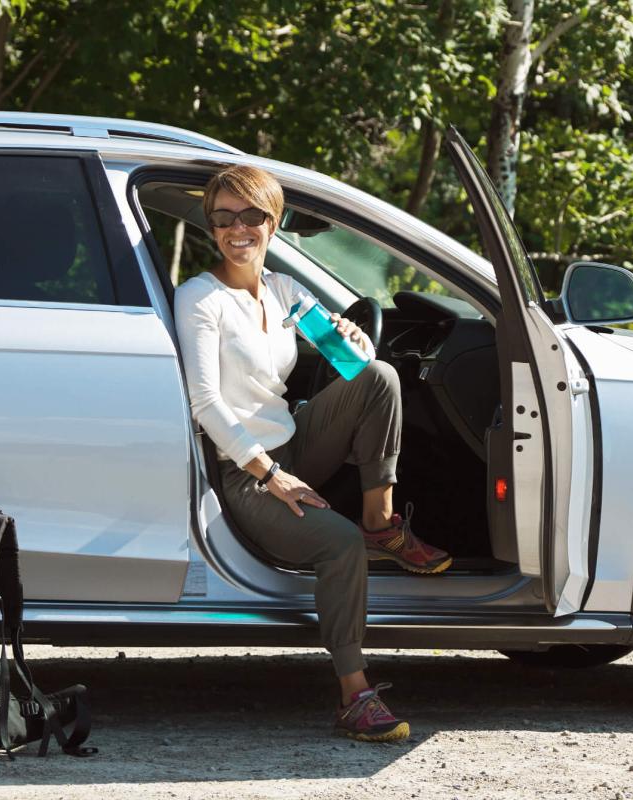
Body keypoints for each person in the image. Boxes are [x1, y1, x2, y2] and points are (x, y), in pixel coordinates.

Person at [174, 164, 452, 742]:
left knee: (379, 377)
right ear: (212, 228)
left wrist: (356, 341)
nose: (237, 228)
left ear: (274, 223)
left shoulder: (282, 290)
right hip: (245, 469)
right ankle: (355, 693)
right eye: (224, 218)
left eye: (251, 215)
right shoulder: (200, 299)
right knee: (338, 541)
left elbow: (346, 357)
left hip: (292, 439)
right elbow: (205, 403)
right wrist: (272, 474)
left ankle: (382, 523)